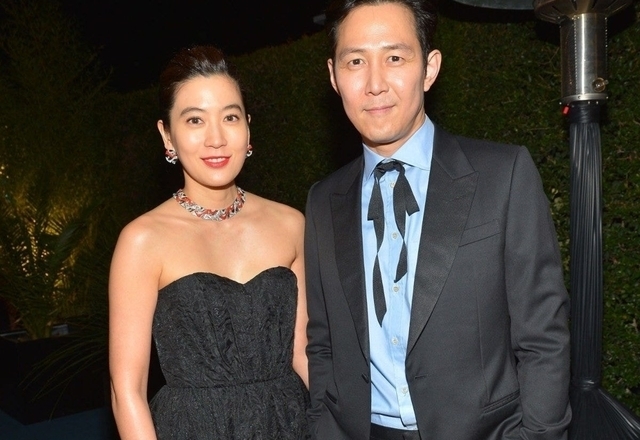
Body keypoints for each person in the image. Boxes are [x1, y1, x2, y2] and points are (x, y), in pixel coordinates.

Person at [304, 1, 571, 439]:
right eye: (355, 62)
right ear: (334, 77)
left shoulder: (503, 176)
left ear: (429, 69)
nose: (374, 84)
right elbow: (323, 342)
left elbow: (544, 336)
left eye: (395, 57)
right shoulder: (322, 201)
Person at [108, 45, 309, 440]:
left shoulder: (291, 224)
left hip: (289, 425)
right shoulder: (142, 240)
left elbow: (303, 353)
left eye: (230, 117)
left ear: (248, 127)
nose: (216, 139)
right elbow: (126, 390)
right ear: (167, 135)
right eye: (195, 120)